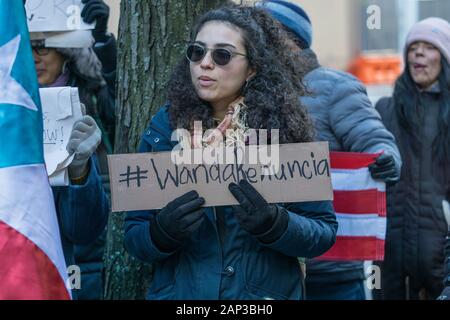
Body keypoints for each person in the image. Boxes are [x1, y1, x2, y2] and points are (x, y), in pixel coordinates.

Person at [124, 5, 338, 300]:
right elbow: (134, 235)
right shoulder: (163, 129)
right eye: (197, 52)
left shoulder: (285, 131)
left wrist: (276, 224)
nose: (205, 64)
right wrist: (162, 232)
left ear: (252, 67)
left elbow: (323, 232)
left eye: (222, 55)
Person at [257, 0, 402, 300]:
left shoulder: (335, 87)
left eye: (261, 32)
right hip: (267, 269)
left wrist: (386, 159)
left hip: (330, 271)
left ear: (289, 39)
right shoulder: (243, 89)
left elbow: (375, 140)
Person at [28, 0, 115, 299]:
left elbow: (120, 111)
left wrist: (101, 40)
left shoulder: (93, 98)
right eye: (26, 47)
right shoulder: (9, 112)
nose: (34, 57)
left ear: (65, 51)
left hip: (84, 263)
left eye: (42, 46)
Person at [375, 17, 450, 300]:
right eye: (413, 47)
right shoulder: (385, 109)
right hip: (389, 255)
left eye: (429, 47)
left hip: (440, 261)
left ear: (444, 58)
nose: (418, 52)